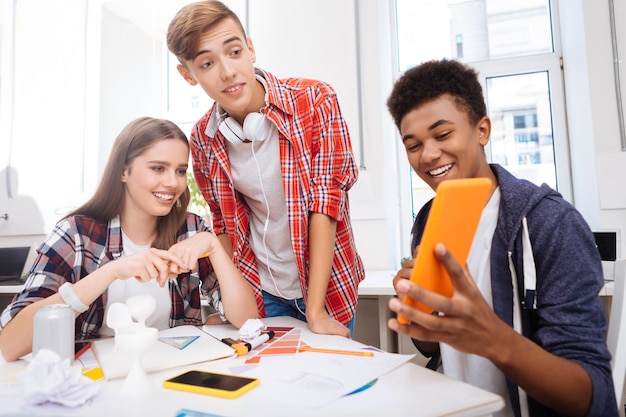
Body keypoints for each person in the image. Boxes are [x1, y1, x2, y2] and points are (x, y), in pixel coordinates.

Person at [385, 59, 618, 417]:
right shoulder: (430, 218)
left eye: (443, 134)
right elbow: (432, 347)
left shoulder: (552, 223)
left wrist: (495, 339)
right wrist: (422, 308)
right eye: (413, 145)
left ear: (482, 130)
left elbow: (592, 397)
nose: (428, 155)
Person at [166, 1, 365, 337]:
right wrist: (224, 302)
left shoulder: (315, 101)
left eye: (234, 51)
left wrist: (314, 312)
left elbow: (325, 205)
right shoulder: (203, 138)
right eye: (207, 63)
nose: (227, 71)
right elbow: (224, 227)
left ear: (251, 49)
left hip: (327, 289)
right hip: (262, 292)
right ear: (188, 75)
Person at [0, 117, 259, 362]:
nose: (173, 182)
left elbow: (248, 320)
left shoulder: (190, 230)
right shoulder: (76, 234)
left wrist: (212, 244)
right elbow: (10, 345)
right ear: (124, 171)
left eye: (180, 171)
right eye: (158, 168)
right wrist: (111, 272)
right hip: (95, 381)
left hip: (170, 374)